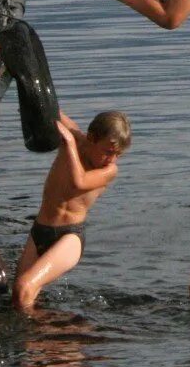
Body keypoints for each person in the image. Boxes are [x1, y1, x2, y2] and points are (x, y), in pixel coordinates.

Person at [13, 110, 131, 310]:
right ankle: (44, 335)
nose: (111, 159)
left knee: (26, 285)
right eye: (108, 152)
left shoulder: (109, 171)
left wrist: (68, 143)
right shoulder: (76, 138)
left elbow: (79, 182)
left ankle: (33, 340)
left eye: (117, 154)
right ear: (92, 138)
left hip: (69, 237)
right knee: (18, 295)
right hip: (40, 231)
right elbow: (50, 110)